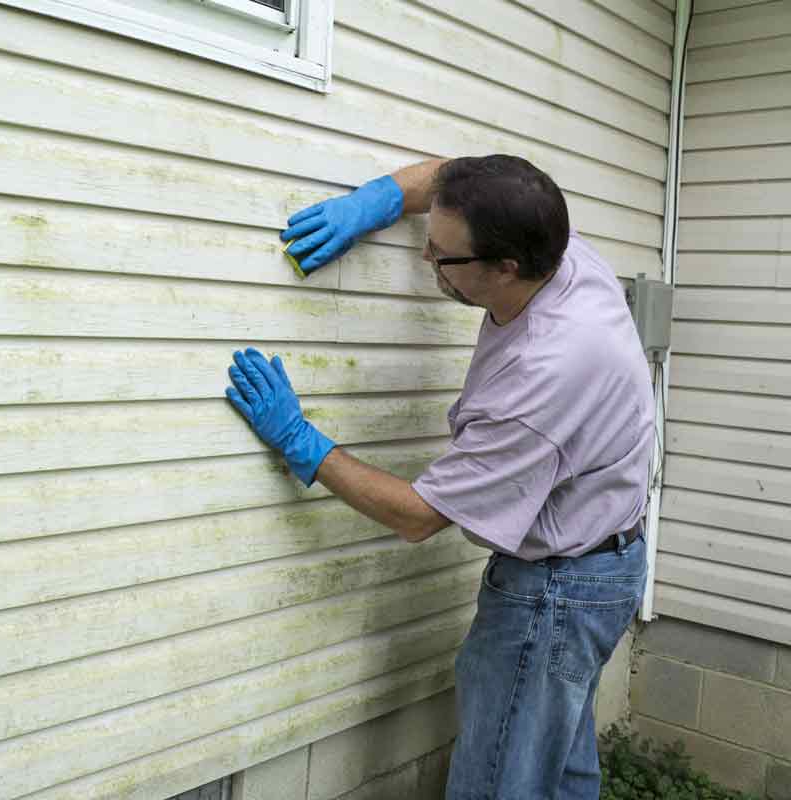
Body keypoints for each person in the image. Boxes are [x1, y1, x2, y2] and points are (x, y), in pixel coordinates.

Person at [224, 155, 654, 799]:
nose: (426, 258)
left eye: (442, 256)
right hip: (604, 559)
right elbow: (456, 176)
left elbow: (419, 516)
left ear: (505, 268)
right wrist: (377, 202)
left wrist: (301, 441)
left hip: (557, 593)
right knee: (558, 775)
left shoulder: (542, 380)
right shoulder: (559, 252)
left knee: (500, 784)